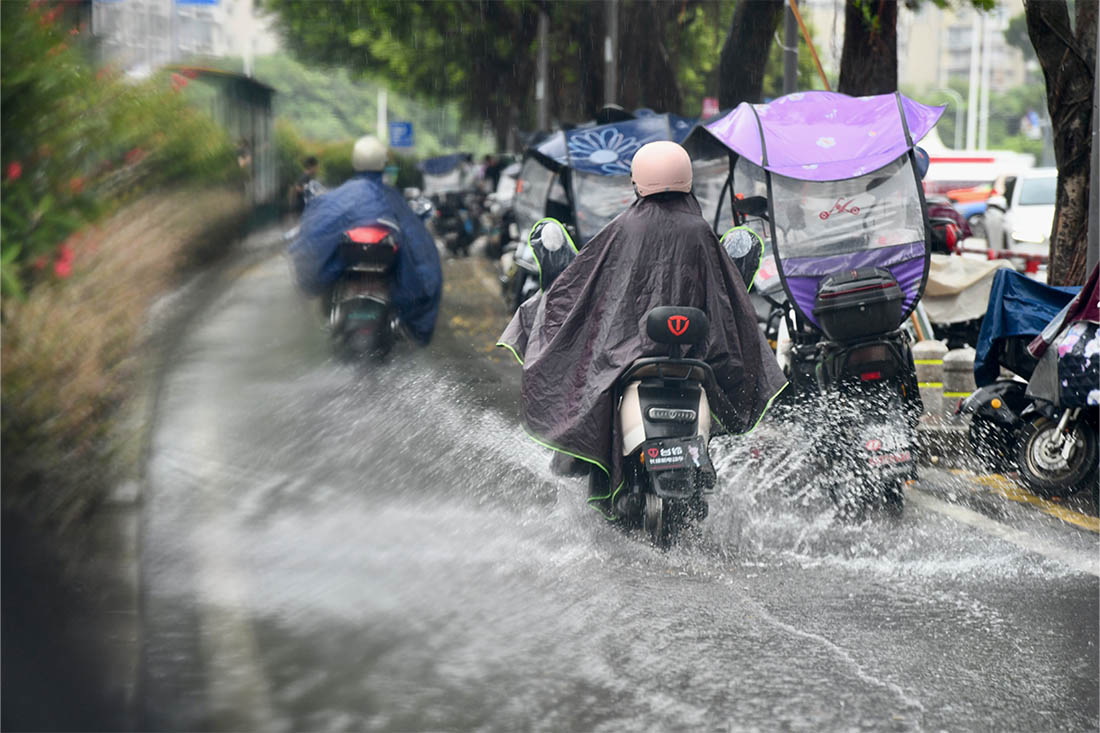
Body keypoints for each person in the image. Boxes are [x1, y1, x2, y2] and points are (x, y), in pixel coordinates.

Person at [498, 141, 786, 514]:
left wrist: (555, 306)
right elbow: (726, 301)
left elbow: (585, 287)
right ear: (686, 178)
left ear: (638, 181)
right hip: (693, 358)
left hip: (624, 353)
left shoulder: (625, 228)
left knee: (588, 386)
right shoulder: (700, 231)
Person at [288, 135, 443, 344]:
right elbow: (419, 248)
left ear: (354, 161)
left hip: (348, 276)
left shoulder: (337, 198)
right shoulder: (392, 198)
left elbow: (315, 234)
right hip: (384, 278)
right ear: (383, 163)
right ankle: (403, 326)